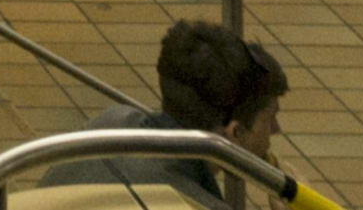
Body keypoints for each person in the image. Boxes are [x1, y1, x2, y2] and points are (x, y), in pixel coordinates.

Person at [44, 20, 291, 208]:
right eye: (270, 119)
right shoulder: (191, 204)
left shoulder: (110, 123)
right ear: (235, 132)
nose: (276, 129)